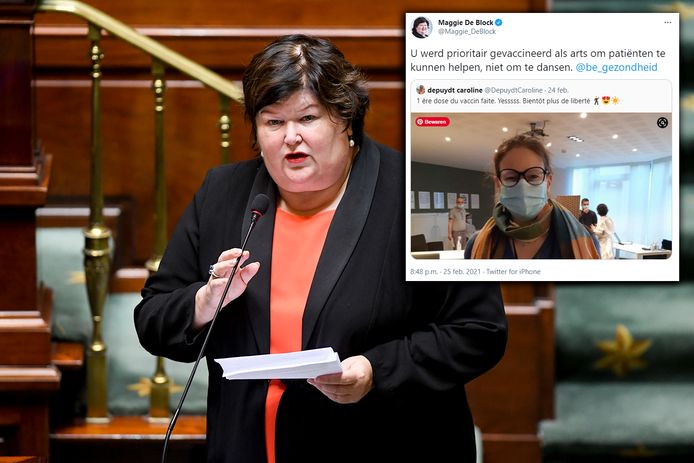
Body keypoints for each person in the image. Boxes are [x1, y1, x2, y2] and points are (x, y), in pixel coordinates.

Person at [134, 34, 507, 463]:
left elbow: (479, 331)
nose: (290, 137)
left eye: (308, 118)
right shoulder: (223, 193)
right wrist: (205, 301)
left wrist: (375, 370)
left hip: (385, 443)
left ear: (345, 119)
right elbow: (152, 317)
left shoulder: (414, 192)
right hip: (249, 446)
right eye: (273, 122)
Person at [465, 134, 600, 259]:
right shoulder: (477, 244)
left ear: (548, 182)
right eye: (511, 177)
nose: (523, 186)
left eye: (534, 176)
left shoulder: (585, 241)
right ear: (498, 184)